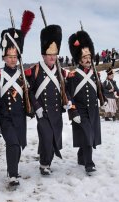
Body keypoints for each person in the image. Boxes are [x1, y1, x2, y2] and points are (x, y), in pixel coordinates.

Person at [0, 27, 32, 186]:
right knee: (13, 144)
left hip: (20, 117)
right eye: (9, 57)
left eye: (15, 57)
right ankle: (13, 175)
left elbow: (29, 95)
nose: (13, 60)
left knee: (19, 145)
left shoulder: (22, 76)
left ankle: (11, 169)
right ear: (4, 57)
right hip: (5, 117)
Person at [28, 25, 69, 176]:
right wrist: (36, 106)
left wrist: (67, 100)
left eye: (55, 54)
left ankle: (48, 161)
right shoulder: (35, 70)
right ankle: (44, 164)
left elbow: (65, 89)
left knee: (54, 137)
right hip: (42, 112)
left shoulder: (61, 71)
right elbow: (29, 90)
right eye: (49, 54)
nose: (52, 57)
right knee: (46, 136)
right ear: (43, 55)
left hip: (57, 111)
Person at [66, 30, 102, 174]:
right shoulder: (73, 76)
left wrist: (103, 99)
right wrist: (73, 111)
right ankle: (89, 164)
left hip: (93, 110)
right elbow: (68, 95)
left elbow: (99, 90)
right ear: (79, 59)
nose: (88, 59)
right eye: (84, 57)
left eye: (89, 56)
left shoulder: (96, 74)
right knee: (87, 134)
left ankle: (81, 156)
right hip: (80, 111)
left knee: (90, 135)